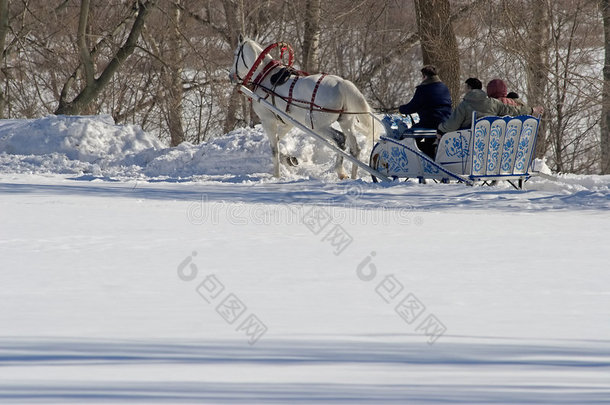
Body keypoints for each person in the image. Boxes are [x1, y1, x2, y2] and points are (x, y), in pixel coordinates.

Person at [438, 78, 543, 135]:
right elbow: (513, 111)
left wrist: (440, 128)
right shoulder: (494, 103)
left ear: (469, 88)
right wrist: (531, 110)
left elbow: (451, 126)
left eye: (465, 88)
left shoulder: (464, 105)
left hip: (468, 143)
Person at [398, 65, 452, 158]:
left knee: (407, 136)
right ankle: (431, 153)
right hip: (445, 122)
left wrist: (401, 109)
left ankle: (412, 158)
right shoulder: (444, 87)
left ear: (425, 76)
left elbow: (412, 107)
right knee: (428, 141)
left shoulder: (423, 89)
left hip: (429, 123)